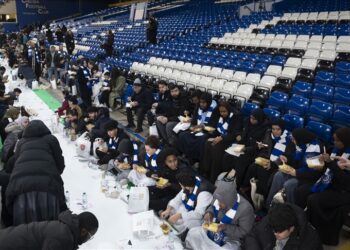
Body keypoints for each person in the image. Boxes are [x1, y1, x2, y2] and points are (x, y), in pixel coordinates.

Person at [6, 120, 66, 226]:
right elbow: (60, 164)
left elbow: (16, 162)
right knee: (48, 226)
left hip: (20, 186)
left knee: (25, 227)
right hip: (48, 186)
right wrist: (51, 171)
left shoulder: (21, 142)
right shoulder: (51, 139)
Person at [186, 172, 254, 250]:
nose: (218, 204)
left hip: (230, 238)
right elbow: (212, 206)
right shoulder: (217, 199)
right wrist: (209, 213)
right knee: (193, 233)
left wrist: (224, 227)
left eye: (221, 203)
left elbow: (244, 231)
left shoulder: (246, 209)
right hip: (213, 229)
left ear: (229, 201)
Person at [305, 128, 350, 246]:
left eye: (337, 141)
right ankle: (311, 228)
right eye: (334, 140)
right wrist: (322, 164)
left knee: (314, 200)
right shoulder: (334, 150)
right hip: (332, 184)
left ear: (345, 141)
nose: (334, 143)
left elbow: (344, 181)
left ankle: (322, 235)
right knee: (306, 192)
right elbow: (330, 171)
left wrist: (330, 163)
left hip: (344, 190)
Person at [266, 128, 322, 206]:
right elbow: (296, 159)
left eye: (294, 139)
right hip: (298, 172)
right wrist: (287, 158)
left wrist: (296, 172)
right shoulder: (302, 143)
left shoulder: (315, 148)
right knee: (278, 175)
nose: (292, 141)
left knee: (289, 184)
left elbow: (312, 172)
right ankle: (269, 205)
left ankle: (291, 210)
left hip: (307, 177)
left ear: (300, 139)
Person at [240, 119, 290, 202]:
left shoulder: (287, 141)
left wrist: (272, 164)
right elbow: (265, 149)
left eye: (278, 129)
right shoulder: (268, 134)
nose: (275, 132)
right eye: (273, 129)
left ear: (282, 129)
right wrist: (260, 146)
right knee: (252, 166)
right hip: (266, 159)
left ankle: (261, 196)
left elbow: (284, 158)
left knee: (262, 170)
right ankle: (245, 188)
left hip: (276, 165)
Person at [0, 210, 98, 250]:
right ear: (83, 231)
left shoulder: (66, 227)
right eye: (90, 236)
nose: (89, 239)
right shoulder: (64, 237)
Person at [221, 108, 268, 188]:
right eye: (251, 117)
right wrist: (238, 135)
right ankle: (225, 176)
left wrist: (246, 149)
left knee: (241, 161)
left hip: (252, 151)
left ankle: (236, 184)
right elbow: (239, 130)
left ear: (259, 119)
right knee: (227, 156)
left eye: (254, 119)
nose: (251, 120)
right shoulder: (247, 121)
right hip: (240, 146)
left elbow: (260, 145)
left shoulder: (264, 129)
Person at [244, 203, 323, 250]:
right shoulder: (272, 218)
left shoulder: (310, 241)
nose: (275, 233)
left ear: (291, 228)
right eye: (273, 230)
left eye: (279, 231)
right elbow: (252, 235)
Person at [160, 171, 214, 239]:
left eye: (180, 185)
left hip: (200, 219)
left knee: (187, 222)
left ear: (185, 185)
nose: (180, 186)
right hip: (188, 210)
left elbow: (199, 214)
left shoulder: (204, 193)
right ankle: (173, 228)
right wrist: (168, 210)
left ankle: (180, 235)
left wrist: (179, 215)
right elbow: (177, 199)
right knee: (173, 209)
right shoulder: (188, 186)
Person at [199, 101, 243, 183]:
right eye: (220, 112)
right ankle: (206, 171)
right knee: (208, 142)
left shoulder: (236, 117)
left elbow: (234, 134)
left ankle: (213, 176)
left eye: (224, 111)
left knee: (216, 148)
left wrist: (222, 137)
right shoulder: (220, 117)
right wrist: (212, 132)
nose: (222, 113)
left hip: (229, 141)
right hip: (221, 138)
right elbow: (218, 131)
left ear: (229, 110)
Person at [177, 92, 220, 162]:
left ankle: (195, 160)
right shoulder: (198, 106)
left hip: (208, 131)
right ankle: (186, 155)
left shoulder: (215, 109)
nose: (201, 104)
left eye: (204, 103)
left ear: (208, 102)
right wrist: (193, 127)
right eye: (200, 102)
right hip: (197, 129)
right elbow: (194, 120)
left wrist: (202, 128)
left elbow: (213, 126)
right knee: (183, 135)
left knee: (201, 139)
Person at [147, 147, 190, 213]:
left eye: (175, 160)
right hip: (165, 190)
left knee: (152, 203)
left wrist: (170, 184)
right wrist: (152, 175)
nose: (173, 164)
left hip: (176, 195)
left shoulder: (183, 170)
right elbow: (158, 175)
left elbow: (184, 189)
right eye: (170, 162)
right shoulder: (165, 168)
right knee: (146, 190)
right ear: (165, 162)